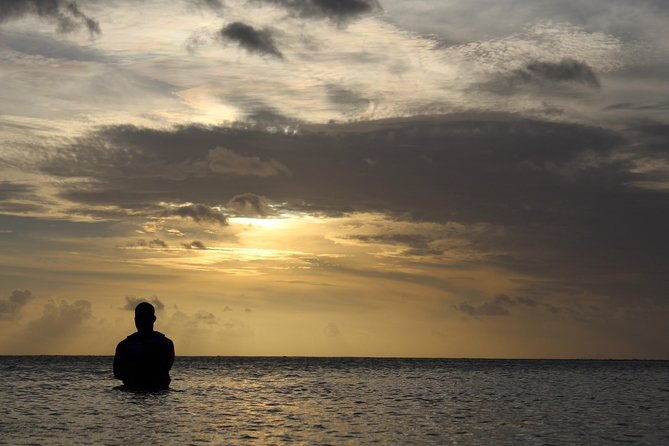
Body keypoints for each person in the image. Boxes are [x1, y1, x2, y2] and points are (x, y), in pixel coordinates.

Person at [113, 302, 175, 389]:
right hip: (132, 391)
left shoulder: (165, 344)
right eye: (139, 318)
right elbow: (118, 373)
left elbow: (163, 369)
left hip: (156, 391)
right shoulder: (124, 345)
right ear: (135, 319)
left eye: (145, 317)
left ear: (153, 319)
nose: (141, 321)